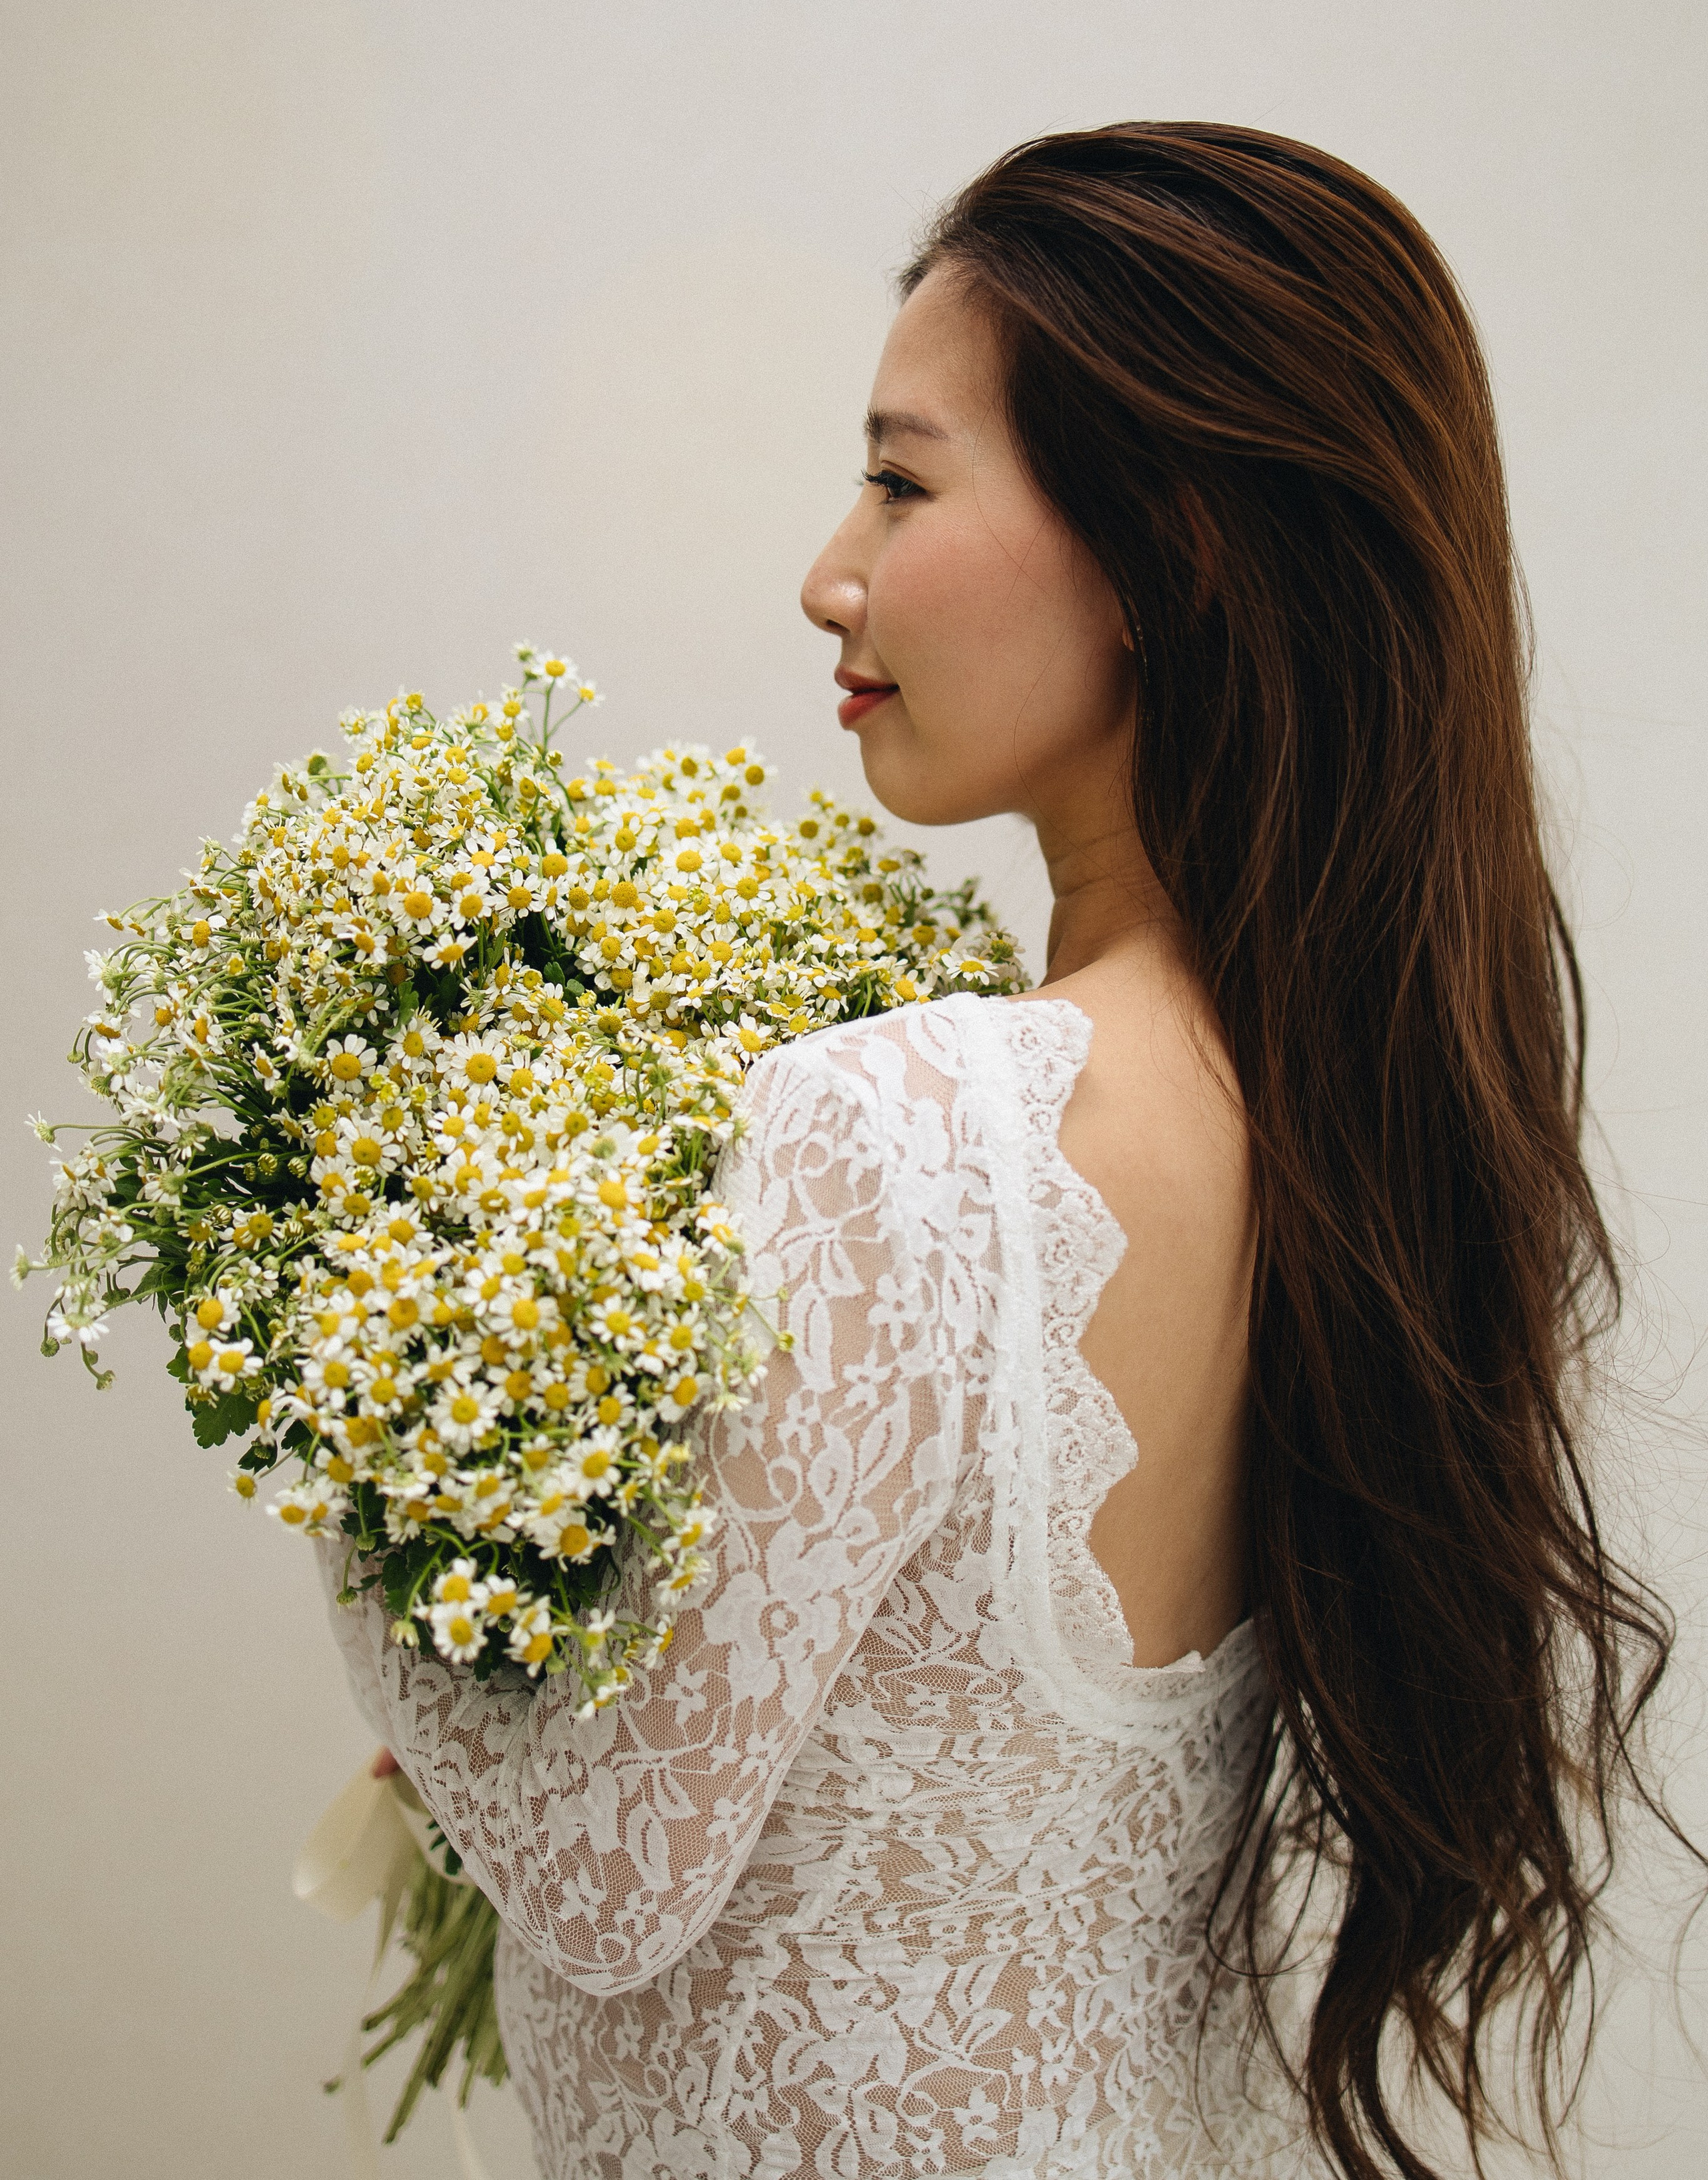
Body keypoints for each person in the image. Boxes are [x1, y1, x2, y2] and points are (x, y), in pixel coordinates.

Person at [325, 123, 1672, 2179]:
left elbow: (599, 1866)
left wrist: (358, 1338)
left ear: (1169, 555)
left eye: (901, 475)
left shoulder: (910, 1132)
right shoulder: (1352, 1117)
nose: (828, 572)